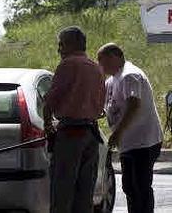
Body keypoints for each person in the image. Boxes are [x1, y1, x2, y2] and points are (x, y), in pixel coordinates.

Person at [44, 26, 105, 213]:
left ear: (71, 44)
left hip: (70, 134)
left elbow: (51, 99)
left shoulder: (68, 65)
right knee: (84, 193)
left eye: (61, 44)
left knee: (62, 191)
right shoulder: (96, 68)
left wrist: (48, 125)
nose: (59, 49)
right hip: (91, 135)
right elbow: (101, 104)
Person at [97, 43, 163, 213]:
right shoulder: (112, 80)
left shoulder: (129, 75)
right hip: (127, 142)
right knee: (129, 186)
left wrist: (118, 133)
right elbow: (107, 106)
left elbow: (134, 105)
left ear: (114, 56)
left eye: (101, 60)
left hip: (143, 141)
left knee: (140, 187)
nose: (100, 65)